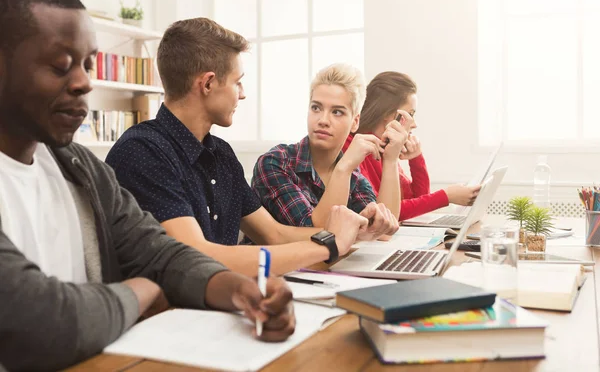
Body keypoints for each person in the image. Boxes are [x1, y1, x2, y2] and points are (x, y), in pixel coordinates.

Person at [0, 0, 310, 369]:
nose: (83, 82)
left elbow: (160, 253)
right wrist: (143, 290)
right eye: (61, 66)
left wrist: (239, 290)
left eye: (88, 64)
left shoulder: (81, 169)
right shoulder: (140, 150)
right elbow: (48, 323)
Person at [105, 19, 398, 278]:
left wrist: (355, 234)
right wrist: (329, 244)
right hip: (166, 320)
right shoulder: (143, 152)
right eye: (238, 82)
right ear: (208, 84)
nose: (242, 94)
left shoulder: (221, 155)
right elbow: (197, 258)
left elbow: (274, 233)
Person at [252, 63, 411, 230]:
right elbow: (317, 235)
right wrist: (344, 167)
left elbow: (383, 230)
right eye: (316, 108)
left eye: (337, 112)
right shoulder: (275, 163)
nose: (323, 120)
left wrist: (391, 159)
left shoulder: (355, 179)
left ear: (355, 122)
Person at [342, 71, 480, 221]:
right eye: (410, 114)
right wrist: (446, 196)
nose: (414, 124)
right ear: (387, 114)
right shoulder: (355, 148)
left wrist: (416, 158)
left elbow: (417, 199)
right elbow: (387, 214)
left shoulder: (385, 146)